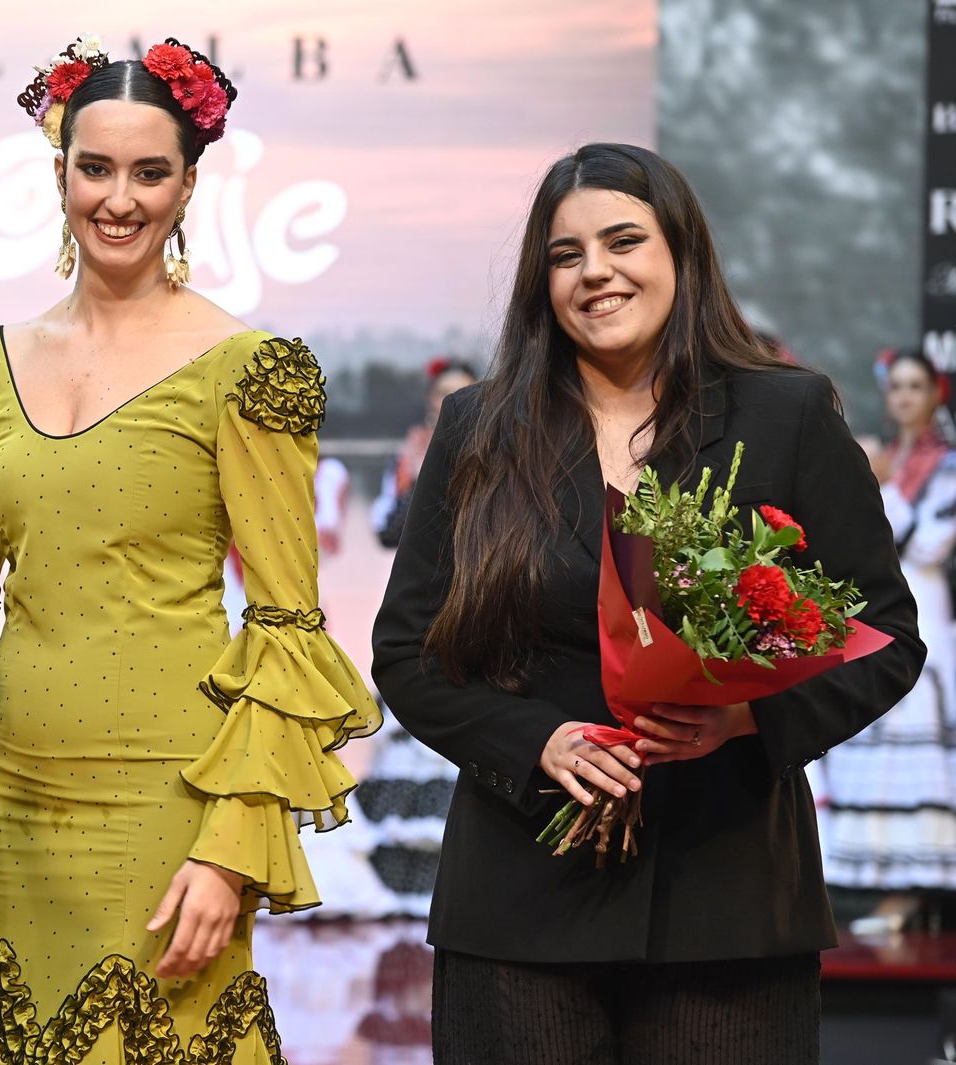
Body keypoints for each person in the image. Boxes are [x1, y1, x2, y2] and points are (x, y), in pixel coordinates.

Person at [371, 142, 923, 1064]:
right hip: (519, 904)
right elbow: (407, 652)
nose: (596, 272)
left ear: (680, 252)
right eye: (564, 254)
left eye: (623, 240)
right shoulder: (479, 428)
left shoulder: (785, 413)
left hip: (730, 899)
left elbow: (886, 638)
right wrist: (535, 743)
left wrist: (745, 716)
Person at [0, 36, 380, 1063]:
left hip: (171, 801)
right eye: (95, 167)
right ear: (58, 172)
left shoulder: (246, 368)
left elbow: (286, 623)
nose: (119, 198)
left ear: (189, 185)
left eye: (150, 172)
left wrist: (232, 848)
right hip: (13, 803)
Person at [822, 348, 956, 925]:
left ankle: (910, 895)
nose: (903, 397)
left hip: (923, 606)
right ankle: (875, 885)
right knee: (870, 731)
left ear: (935, 394)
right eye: (896, 386)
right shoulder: (879, 454)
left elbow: (928, 544)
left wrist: (886, 488)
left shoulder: (946, 465)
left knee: (913, 734)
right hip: (876, 608)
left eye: (915, 386)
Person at [370, 357, 477, 548]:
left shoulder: (496, 452)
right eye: (444, 392)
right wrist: (420, 478)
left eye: (464, 391)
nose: (453, 399)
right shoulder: (406, 456)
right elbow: (389, 535)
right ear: (430, 398)